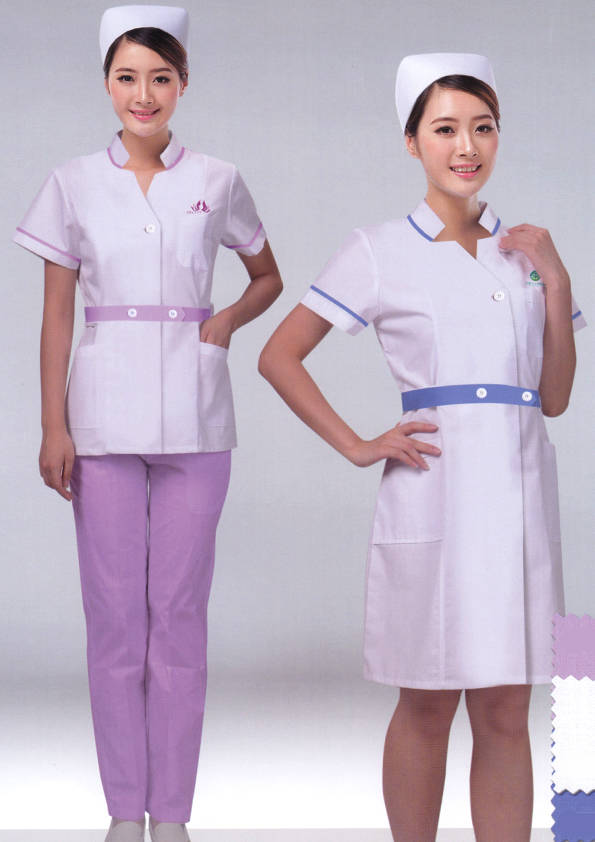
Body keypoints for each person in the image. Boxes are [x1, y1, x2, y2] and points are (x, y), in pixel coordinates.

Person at [259, 52, 585, 842]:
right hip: (433, 491)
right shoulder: (377, 249)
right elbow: (279, 355)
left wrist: (557, 282)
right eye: (444, 129)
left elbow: (554, 398)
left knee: (507, 705)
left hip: (518, 499)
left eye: (481, 127)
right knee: (428, 699)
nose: (465, 146)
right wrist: (357, 444)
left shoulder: (528, 248)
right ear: (412, 142)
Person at [13, 5, 282, 841]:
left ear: (183, 84)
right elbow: (57, 315)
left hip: (197, 423)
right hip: (100, 424)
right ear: (106, 85)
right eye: (127, 77)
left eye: (159, 78)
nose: (143, 93)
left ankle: (173, 815)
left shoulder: (218, 179)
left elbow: (267, 276)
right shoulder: (71, 183)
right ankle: (123, 810)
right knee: (115, 623)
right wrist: (53, 425)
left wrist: (225, 321)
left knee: (179, 619)